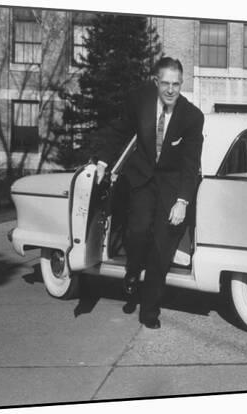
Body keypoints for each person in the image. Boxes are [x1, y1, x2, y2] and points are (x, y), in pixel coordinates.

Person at [94, 57, 204, 329]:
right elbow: (119, 130)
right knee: (138, 231)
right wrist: (103, 161)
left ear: (182, 84)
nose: (170, 90)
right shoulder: (139, 100)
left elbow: (190, 164)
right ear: (156, 82)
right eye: (165, 83)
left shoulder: (192, 117)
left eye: (176, 84)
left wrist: (182, 202)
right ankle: (131, 273)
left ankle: (149, 311)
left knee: (161, 250)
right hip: (141, 180)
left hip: (171, 187)